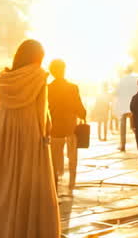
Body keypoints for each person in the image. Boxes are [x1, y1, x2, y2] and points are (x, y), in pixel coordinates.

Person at [0, 39, 61, 237]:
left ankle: (2, 228)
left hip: (4, 128)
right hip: (29, 127)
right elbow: (43, 110)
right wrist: (46, 134)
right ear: (38, 57)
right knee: (30, 178)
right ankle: (27, 228)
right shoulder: (40, 75)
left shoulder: (4, 77)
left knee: (4, 178)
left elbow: (1, 103)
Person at [47, 59, 86, 195]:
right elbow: (79, 106)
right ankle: (71, 184)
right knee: (72, 157)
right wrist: (83, 113)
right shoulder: (72, 87)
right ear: (64, 69)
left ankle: (54, 184)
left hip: (54, 129)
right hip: (71, 128)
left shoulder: (48, 88)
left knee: (54, 159)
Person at [115, 68, 138, 152]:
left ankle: (122, 145)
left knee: (123, 127)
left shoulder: (121, 81)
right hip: (133, 106)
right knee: (135, 126)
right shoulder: (136, 80)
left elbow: (117, 93)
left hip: (124, 106)